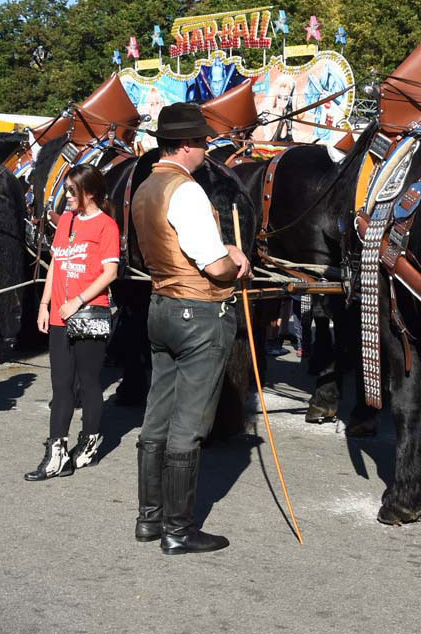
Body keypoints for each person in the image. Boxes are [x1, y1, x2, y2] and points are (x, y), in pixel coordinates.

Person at [130, 102, 251, 554]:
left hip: (160, 306)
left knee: (156, 416)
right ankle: (178, 530)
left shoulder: (146, 187)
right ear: (184, 145)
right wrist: (236, 262)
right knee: (189, 425)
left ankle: (150, 518)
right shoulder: (187, 190)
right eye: (201, 142)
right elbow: (213, 266)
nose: (205, 150)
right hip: (197, 314)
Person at [26, 165, 120, 481]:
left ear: (89, 192)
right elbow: (56, 263)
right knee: (61, 385)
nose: (65, 196)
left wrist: (77, 301)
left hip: (89, 313)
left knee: (89, 382)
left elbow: (110, 273)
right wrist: (44, 304)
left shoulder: (106, 226)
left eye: (71, 190)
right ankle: (57, 454)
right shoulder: (66, 221)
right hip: (59, 314)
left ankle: (88, 444)